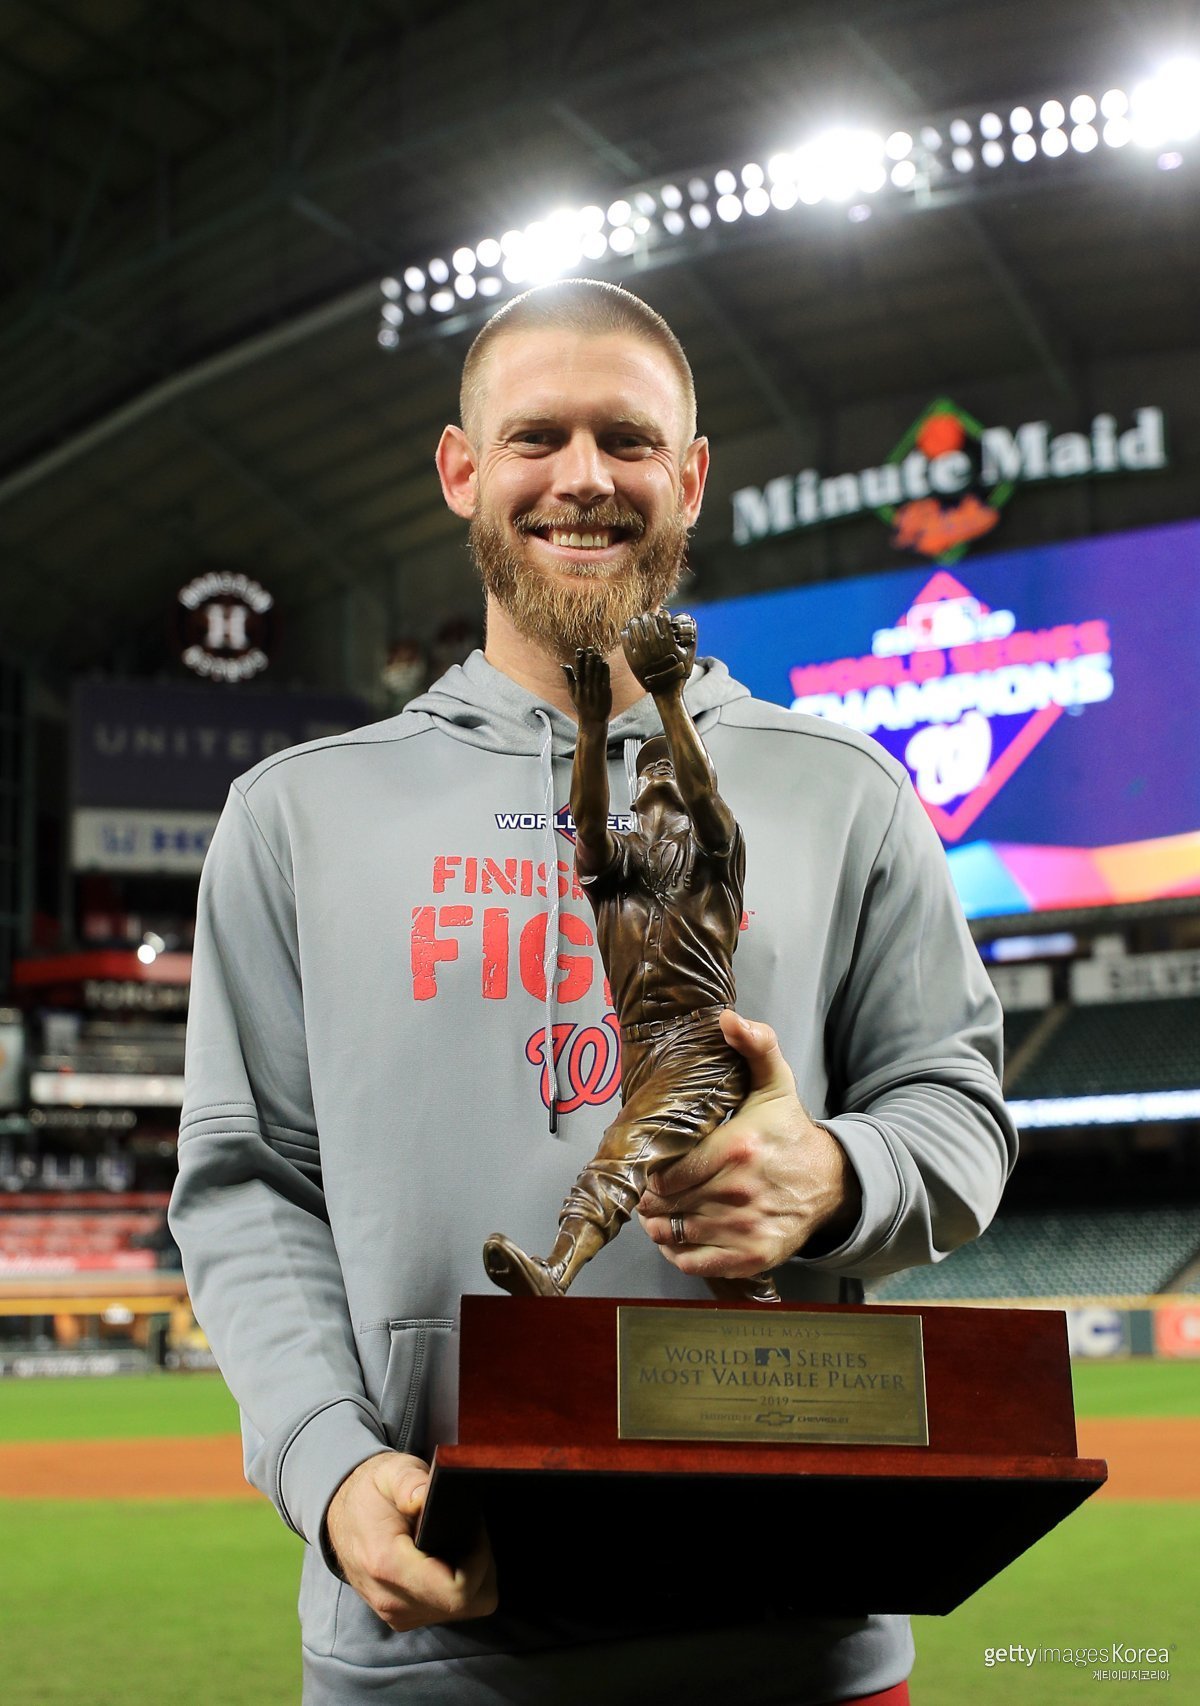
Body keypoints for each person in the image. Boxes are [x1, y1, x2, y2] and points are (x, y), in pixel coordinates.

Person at [170, 278, 1017, 1706]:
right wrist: (330, 1460)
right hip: (432, 1642)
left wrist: (837, 1167)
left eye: (626, 439)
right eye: (535, 437)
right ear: (461, 470)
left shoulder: (845, 789)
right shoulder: (297, 813)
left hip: (797, 1637)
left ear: (688, 476)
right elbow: (250, 1184)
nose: (581, 478)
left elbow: (960, 1112)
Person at [483, 614, 780, 1304]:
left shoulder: (715, 859)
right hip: (642, 1051)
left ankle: (555, 1272)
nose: (654, 801)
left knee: (623, 1159)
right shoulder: (615, 874)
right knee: (698, 1201)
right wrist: (589, 729)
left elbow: (707, 800)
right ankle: (758, 1303)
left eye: (666, 788)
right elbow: (587, 822)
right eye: (643, 793)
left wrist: (669, 697)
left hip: (703, 1039)